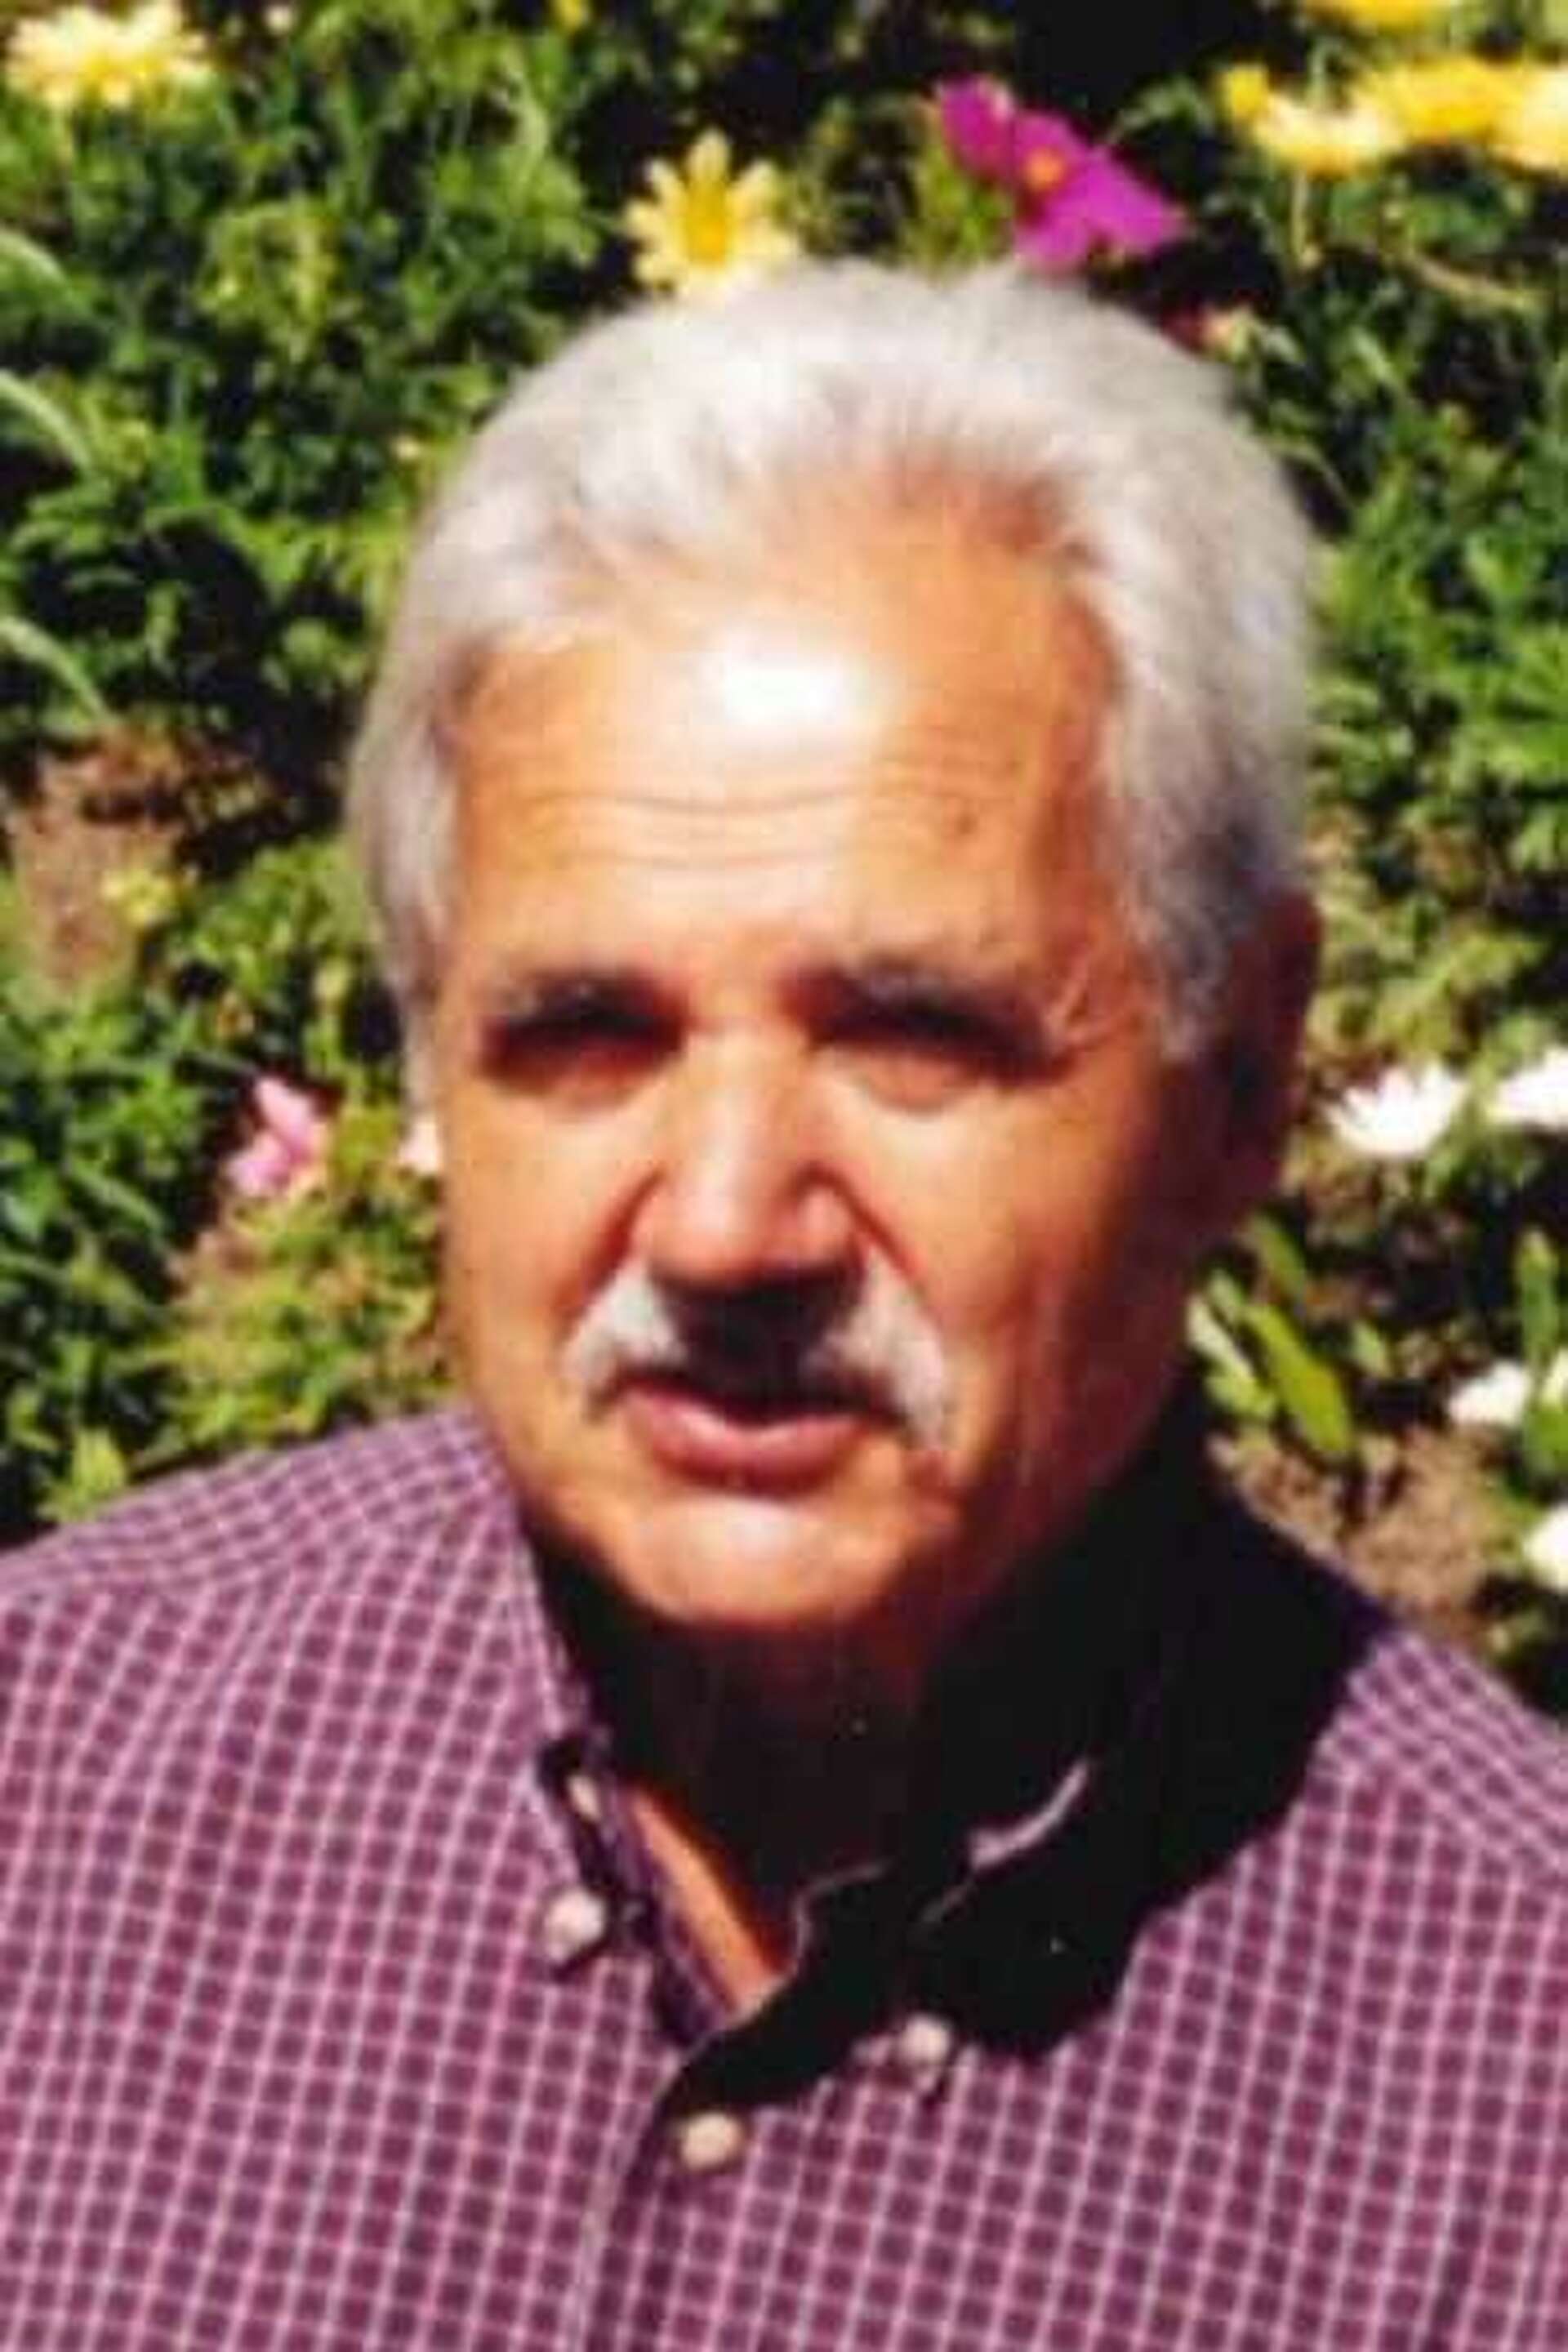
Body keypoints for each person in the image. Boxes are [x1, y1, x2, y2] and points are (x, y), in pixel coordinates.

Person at [2, 264, 1563, 2352]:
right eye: (585, 1033)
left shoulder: (1507, 2108)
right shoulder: (52, 1785)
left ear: (1243, 1082)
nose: (732, 1229)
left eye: (913, 1033)